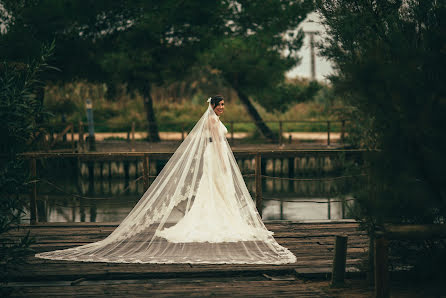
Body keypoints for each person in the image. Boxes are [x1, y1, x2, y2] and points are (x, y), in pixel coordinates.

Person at [35, 95, 296, 264]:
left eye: (224, 105)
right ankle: (220, 218)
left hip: (212, 156)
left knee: (215, 190)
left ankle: (220, 215)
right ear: (213, 107)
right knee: (217, 186)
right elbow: (218, 145)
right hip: (215, 158)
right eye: (220, 105)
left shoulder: (210, 120)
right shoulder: (214, 123)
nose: (223, 108)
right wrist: (226, 164)